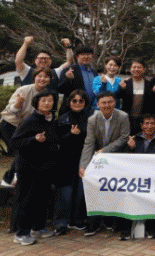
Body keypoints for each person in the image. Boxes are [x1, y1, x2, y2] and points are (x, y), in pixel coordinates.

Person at [10, 90, 60, 245]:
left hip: (44, 168)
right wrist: (33, 139)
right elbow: (15, 142)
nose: (47, 103)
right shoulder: (30, 120)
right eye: (43, 100)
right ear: (37, 103)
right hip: (28, 168)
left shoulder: (50, 120)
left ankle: (37, 228)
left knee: (42, 199)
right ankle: (21, 233)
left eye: (50, 100)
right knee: (27, 200)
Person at [79, 91, 131, 237]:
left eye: (110, 102)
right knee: (96, 188)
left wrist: (105, 150)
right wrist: (83, 165)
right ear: (98, 104)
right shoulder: (92, 119)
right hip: (100, 160)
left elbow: (124, 137)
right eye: (103, 103)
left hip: (117, 159)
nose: (107, 105)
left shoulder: (123, 116)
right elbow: (89, 143)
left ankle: (114, 222)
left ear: (115, 103)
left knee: (116, 191)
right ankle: (95, 223)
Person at [0, 67, 53, 186]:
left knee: (29, 149)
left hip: (26, 126)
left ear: (50, 79)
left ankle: (17, 177)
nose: (42, 79)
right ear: (34, 78)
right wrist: (17, 105)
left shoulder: (48, 93)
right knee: (21, 150)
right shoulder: (23, 90)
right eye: (40, 76)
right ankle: (10, 178)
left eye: (46, 77)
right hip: (10, 123)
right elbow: (11, 110)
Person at [118, 113, 155, 240]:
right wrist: (130, 148)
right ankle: (126, 230)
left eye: (152, 123)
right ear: (141, 125)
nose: (149, 126)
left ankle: (151, 229)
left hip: (154, 180)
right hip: (134, 179)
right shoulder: (133, 139)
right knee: (128, 197)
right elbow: (124, 160)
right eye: (146, 123)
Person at [54, 90, 89, 236]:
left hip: (84, 160)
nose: (77, 103)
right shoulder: (62, 119)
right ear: (69, 102)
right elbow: (56, 140)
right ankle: (61, 222)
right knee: (65, 192)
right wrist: (70, 134)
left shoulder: (91, 118)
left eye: (81, 101)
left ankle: (77, 220)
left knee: (81, 192)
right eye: (74, 100)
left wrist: (82, 133)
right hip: (66, 161)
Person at [58, 45, 98, 113]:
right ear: (77, 56)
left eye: (88, 54)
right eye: (83, 54)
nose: (86, 57)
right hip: (72, 111)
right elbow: (60, 89)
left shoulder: (94, 72)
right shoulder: (69, 70)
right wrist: (67, 79)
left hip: (90, 110)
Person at [118, 59, 152, 134]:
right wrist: (121, 88)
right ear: (130, 69)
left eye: (139, 67)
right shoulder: (125, 83)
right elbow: (117, 97)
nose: (136, 69)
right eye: (134, 67)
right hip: (127, 119)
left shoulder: (149, 84)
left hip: (143, 121)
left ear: (144, 69)